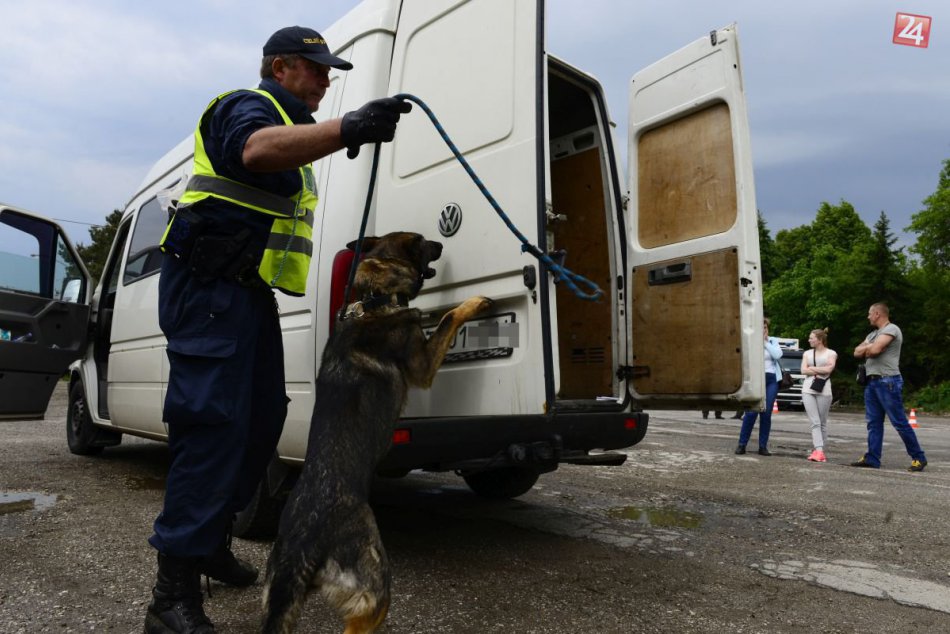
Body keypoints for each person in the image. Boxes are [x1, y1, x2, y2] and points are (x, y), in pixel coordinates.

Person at [145, 26, 412, 634]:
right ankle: (171, 595)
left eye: (327, 71)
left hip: (243, 293)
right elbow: (255, 152)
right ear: (280, 66)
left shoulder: (290, 127)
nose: (326, 80)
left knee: (263, 420)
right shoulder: (248, 107)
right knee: (211, 430)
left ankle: (209, 542)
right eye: (315, 69)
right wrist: (348, 128)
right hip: (207, 288)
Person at [851, 303, 927, 472]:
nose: (868, 316)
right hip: (871, 382)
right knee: (873, 423)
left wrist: (870, 348)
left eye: (870, 313)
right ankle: (872, 458)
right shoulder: (873, 334)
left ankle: (919, 458)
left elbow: (875, 351)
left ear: (877, 314)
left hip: (888, 381)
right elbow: (856, 352)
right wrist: (869, 348)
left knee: (899, 422)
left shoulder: (892, 329)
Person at [736, 317, 782, 456]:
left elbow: (778, 355)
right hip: (756, 379)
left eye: (765, 328)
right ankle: (742, 444)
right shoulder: (750, 341)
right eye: (761, 328)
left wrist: (765, 342)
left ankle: (763, 446)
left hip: (771, 379)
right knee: (751, 412)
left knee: (766, 413)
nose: (763, 330)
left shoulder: (773, 341)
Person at [801, 328, 837, 462]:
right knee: (815, 422)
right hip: (808, 389)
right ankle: (819, 451)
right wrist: (819, 370)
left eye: (812, 338)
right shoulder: (807, 353)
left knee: (822, 422)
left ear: (820, 340)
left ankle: (819, 450)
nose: (809, 340)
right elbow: (803, 370)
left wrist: (812, 369)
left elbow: (829, 369)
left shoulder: (831, 353)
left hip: (824, 389)